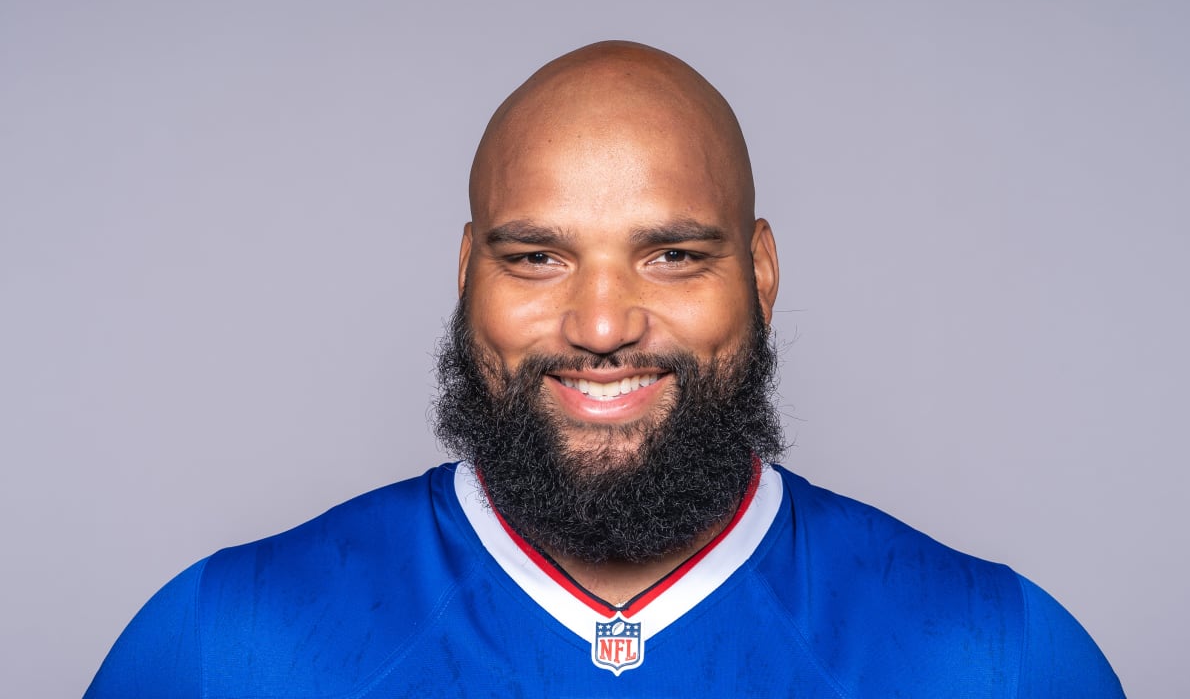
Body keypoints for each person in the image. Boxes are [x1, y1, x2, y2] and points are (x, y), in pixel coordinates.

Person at [87, 41, 1124, 697]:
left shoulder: (992, 656)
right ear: (465, 275)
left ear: (758, 273)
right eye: (535, 257)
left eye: (671, 254)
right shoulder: (230, 644)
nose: (597, 324)